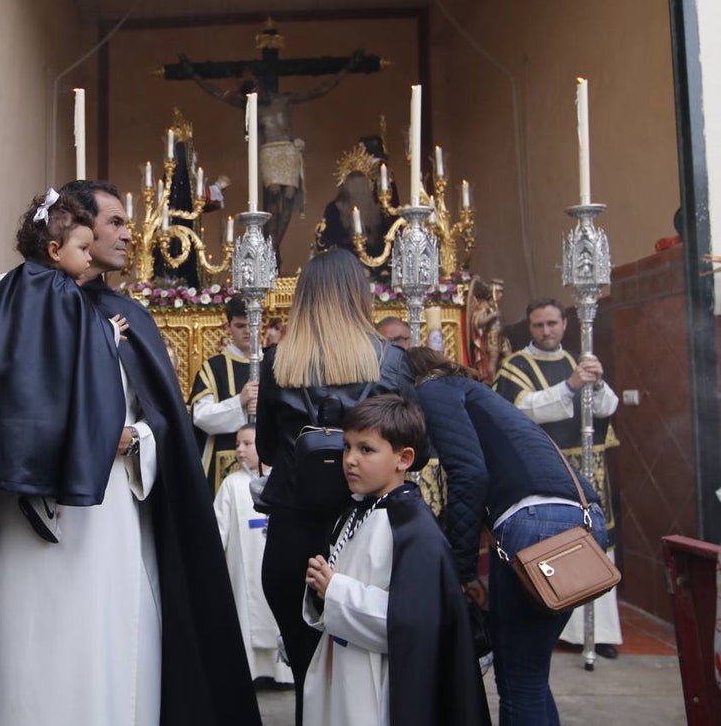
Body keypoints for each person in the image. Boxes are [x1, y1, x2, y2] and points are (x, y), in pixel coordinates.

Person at [0, 178, 259, 726]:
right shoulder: (16, 299)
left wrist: (136, 440)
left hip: (111, 514)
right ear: (72, 232)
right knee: (29, 646)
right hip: (30, 510)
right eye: (116, 223)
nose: (130, 235)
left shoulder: (128, 317)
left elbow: (162, 421)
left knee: (111, 644)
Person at [255, 247, 416, 725]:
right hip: (363, 532)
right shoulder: (390, 362)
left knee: (306, 669)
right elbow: (416, 449)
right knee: (358, 667)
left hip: (292, 534)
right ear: (358, 295)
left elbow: (266, 447)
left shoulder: (277, 360)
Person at [409, 347, 609, 726]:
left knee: (517, 680)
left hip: (536, 525)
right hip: (583, 521)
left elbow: (469, 473)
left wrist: (461, 571)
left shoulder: (434, 390)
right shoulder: (479, 397)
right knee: (530, 674)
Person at [0, 189, 127, 544]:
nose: (89, 259)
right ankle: (41, 497)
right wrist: (111, 332)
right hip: (35, 401)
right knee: (44, 443)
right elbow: (83, 336)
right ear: (56, 251)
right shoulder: (63, 288)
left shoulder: (12, 281)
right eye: (83, 249)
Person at [301, 395, 489, 726]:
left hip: (379, 682)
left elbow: (413, 624)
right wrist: (322, 589)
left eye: (366, 449)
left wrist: (335, 589)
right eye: (347, 447)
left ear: (403, 458)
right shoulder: (356, 511)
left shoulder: (413, 530)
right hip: (342, 666)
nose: (350, 460)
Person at [492, 298, 622, 658]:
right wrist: (569, 387)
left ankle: (600, 633)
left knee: (596, 541)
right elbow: (520, 410)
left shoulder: (578, 360)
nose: (546, 331)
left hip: (588, 465)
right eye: (538, 325)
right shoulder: (514, 366)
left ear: (565, 324)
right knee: (555, 543)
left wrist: (593, 381)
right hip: (545, 468)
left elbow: (607, 408)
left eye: (552, 323)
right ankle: (554, 623)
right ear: (529, 328)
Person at [178, 50, 372, 269]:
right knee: (272, 197)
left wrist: (345, 69)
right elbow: (216, 92)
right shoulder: (251, 105)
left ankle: (272, 249)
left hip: (288, 151)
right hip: (269, 152)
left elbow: (318, 91)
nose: (257, 89)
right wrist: (192, 72)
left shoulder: (285, 99)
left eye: (257, 84)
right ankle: (270, 252)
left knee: (288, 196)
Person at [213, 425, 292, 687]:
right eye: (237, 444)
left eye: (247, 443)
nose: (239, 449)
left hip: (277, 563)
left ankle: (283, 674)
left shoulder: (285, 480)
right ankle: (251, 673)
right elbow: (218, 530)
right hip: (242, 568)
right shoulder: (232, 484)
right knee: (245, 615)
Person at [189, 296, 259, 494]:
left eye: (251, 324)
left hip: (266, 458)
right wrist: (240, 402)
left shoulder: (273, 365)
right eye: (239, 325)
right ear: (228, 326)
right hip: (223, 457)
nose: (247, 331)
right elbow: (200, 416)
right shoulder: (213, 367)